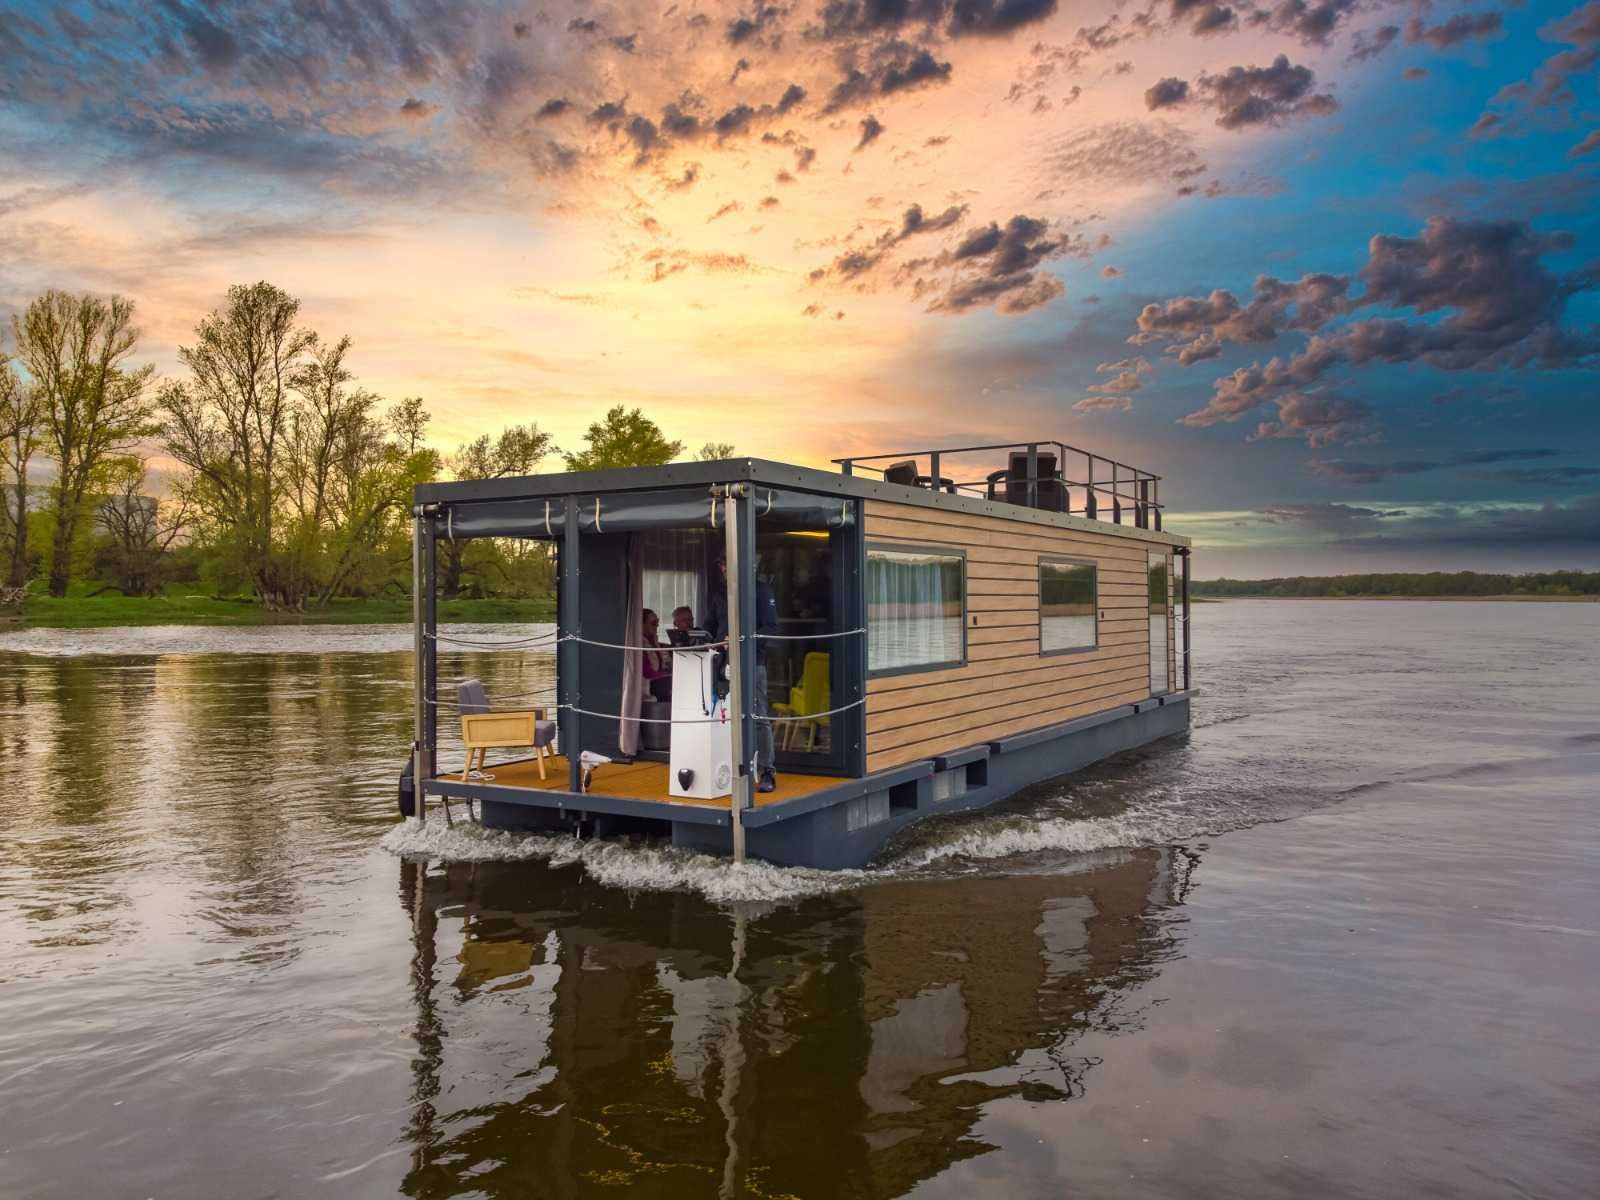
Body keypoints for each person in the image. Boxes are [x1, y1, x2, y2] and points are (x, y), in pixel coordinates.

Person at [704, 553, 779, 792]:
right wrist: (718, 641)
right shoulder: (719, 595)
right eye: (722, 564)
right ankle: (725, 768)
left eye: (728, 563)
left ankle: (767, 772)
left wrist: (743, 643)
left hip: (752, 662)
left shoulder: (761, 591)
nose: (724, 568)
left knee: (758, 715)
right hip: (722, 663)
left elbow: (770, 627)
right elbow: (708, 628)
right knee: (721, 714)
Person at [641, 609, 671, 702]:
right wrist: (667, 674)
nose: (657, 625)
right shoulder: (638, 643)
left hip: (657, 682)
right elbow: (647, 673)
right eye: (653, 623)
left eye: (657, 622)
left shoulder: (654, 641)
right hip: (648, 684)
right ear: (642, 625)